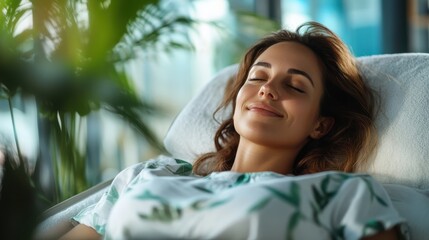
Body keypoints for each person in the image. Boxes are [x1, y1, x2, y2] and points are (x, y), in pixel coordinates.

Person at [61, 22, 408, 240]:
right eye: (258, 76)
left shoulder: (342, 195)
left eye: (296, 86)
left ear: (321, 124)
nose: (268, 90)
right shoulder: (151, 175)